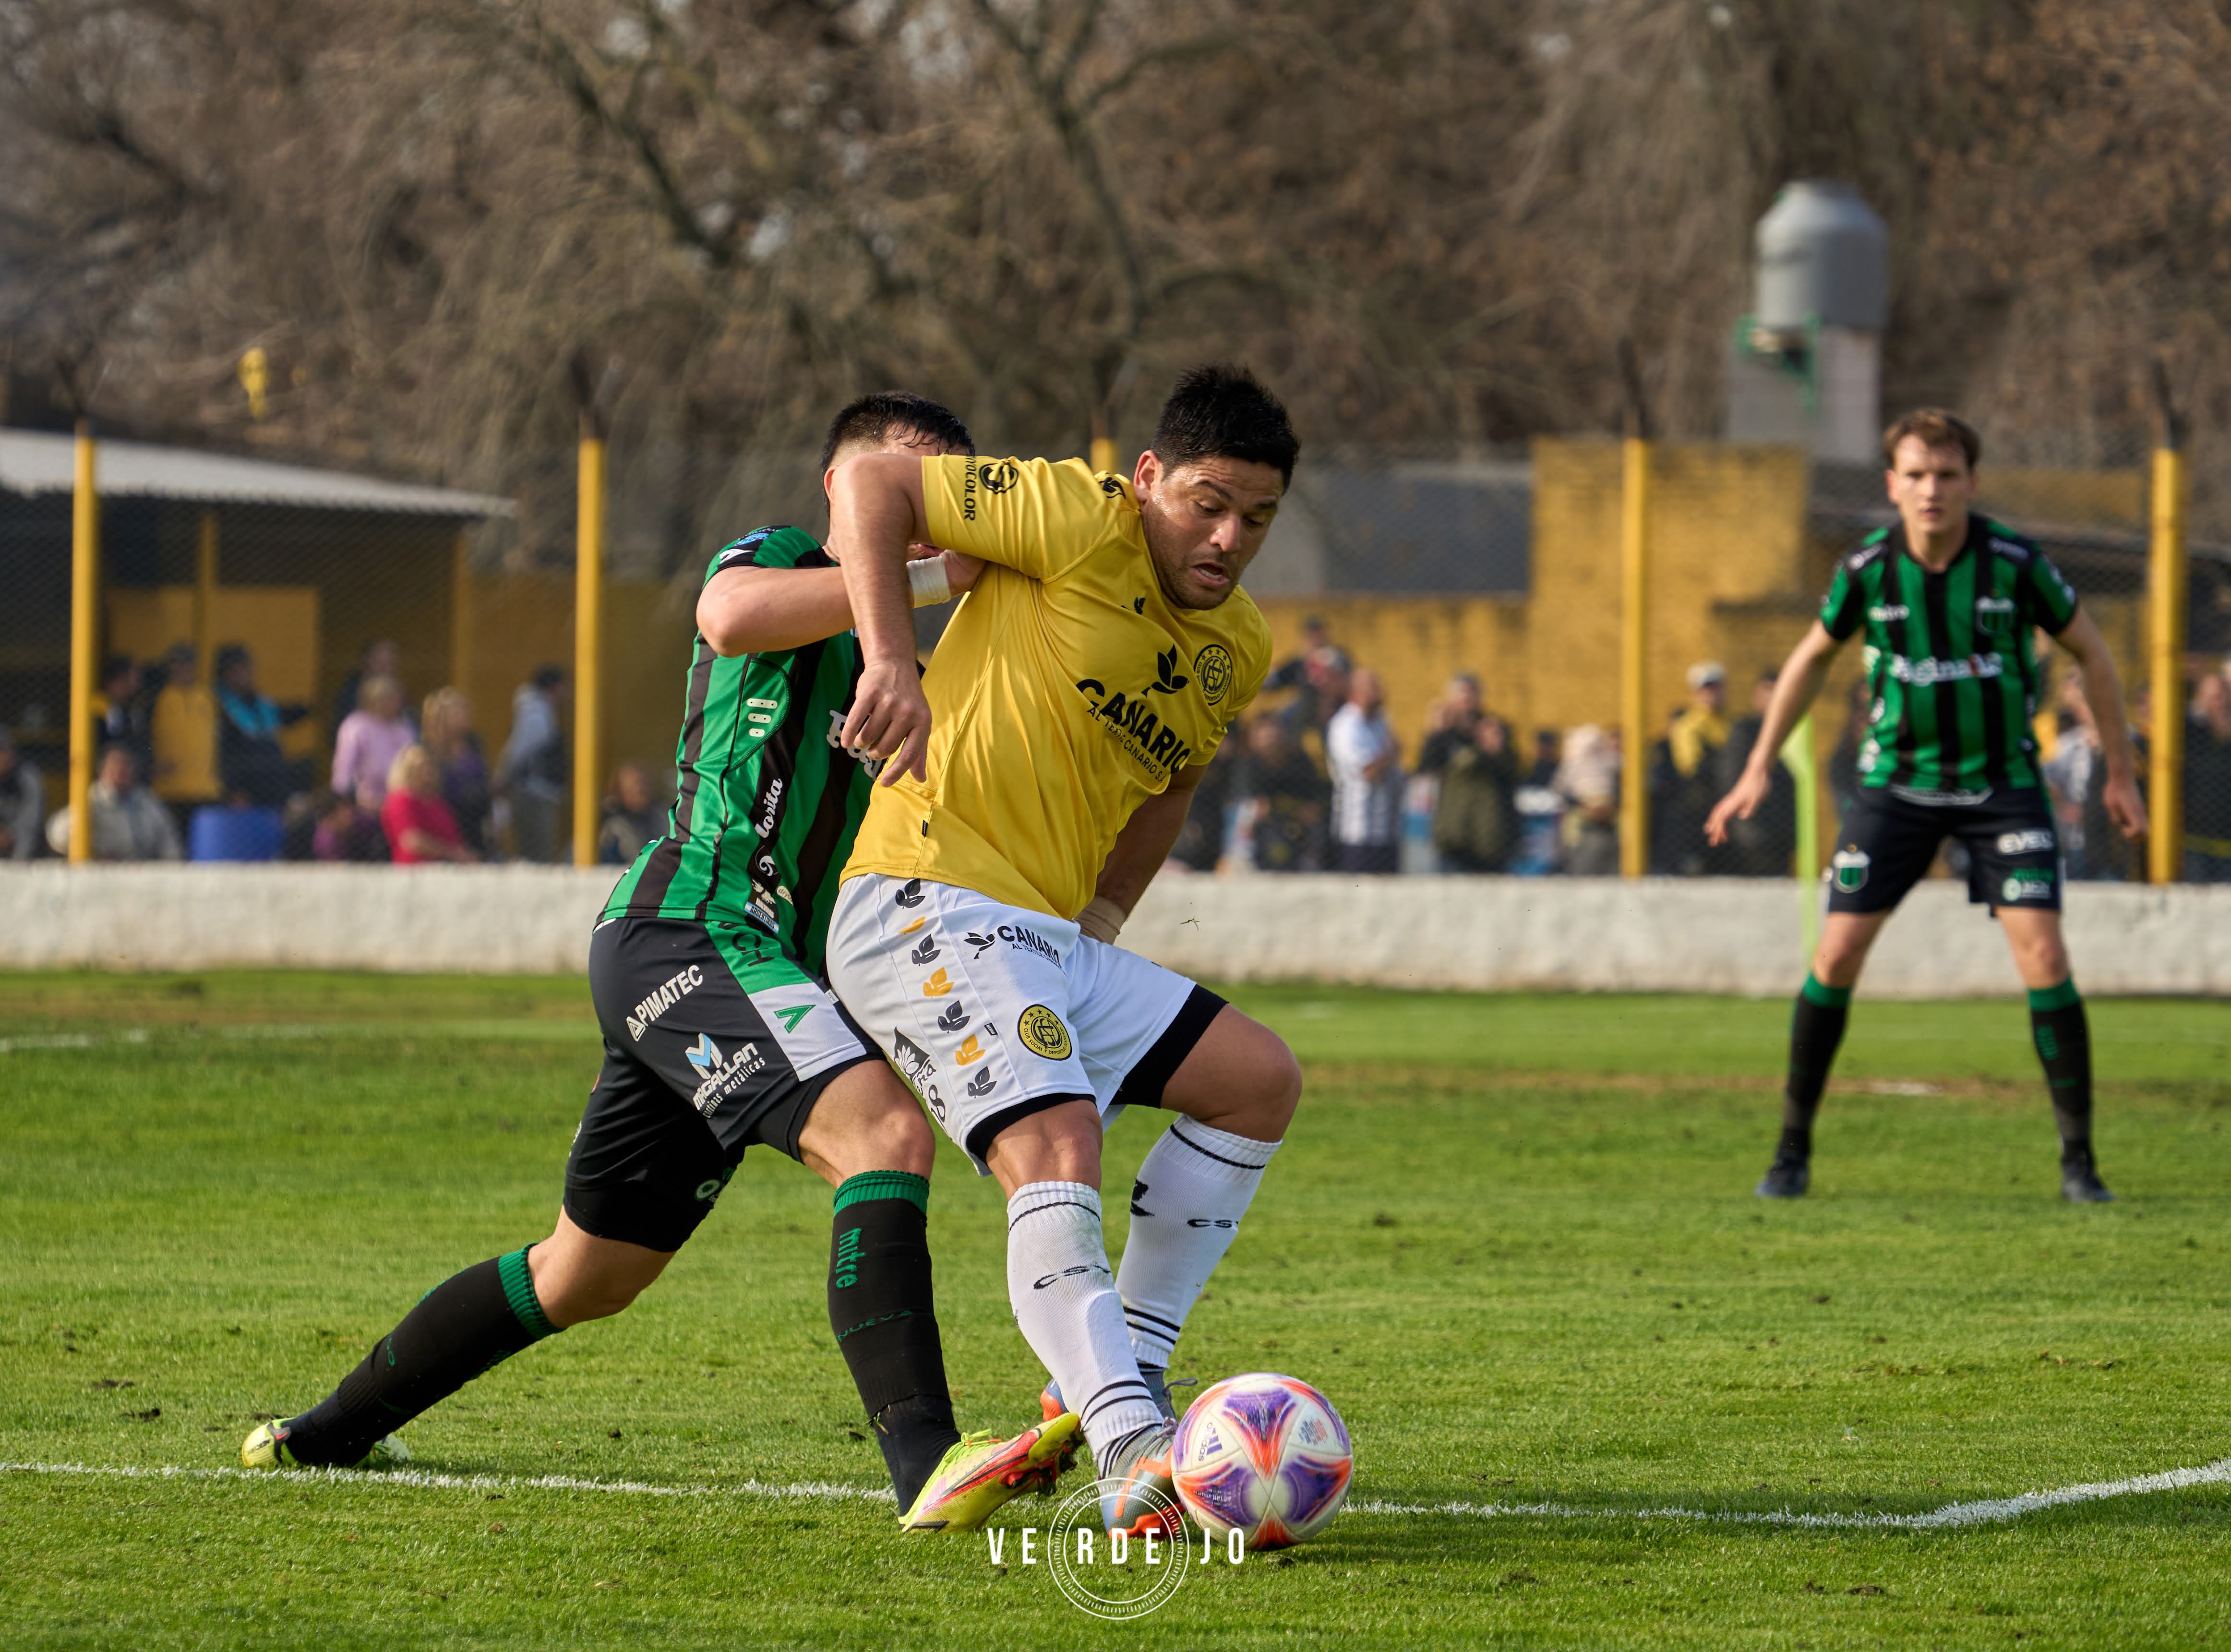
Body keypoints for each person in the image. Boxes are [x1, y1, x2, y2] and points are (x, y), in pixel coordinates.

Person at [245, 392, 1071, 1538]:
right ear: (843, 490)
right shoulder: (783, 561)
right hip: (691, 929)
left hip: (754, 964)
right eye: (903, 491)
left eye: (941, 500)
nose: (923, 523)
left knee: (587, 1272)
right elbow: (727, 616)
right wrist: (921, 582)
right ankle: (927, 1464)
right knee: (881, 1135)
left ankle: (322, 1432)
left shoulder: (903, 659)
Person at [819, 364, 1306, 1539]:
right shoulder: (1076, 516)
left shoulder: (1235, 644)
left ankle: (1112, 1368)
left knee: (1256, 1081)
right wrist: (891, 659)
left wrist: (1104, 921)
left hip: (1050, 936)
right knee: (1060, 1140)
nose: (1228, 536)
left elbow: (1173, 780)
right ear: (1148, 479)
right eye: (1205, 502)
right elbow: (872, 482)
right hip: (922, 900)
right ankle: (1134, 1442)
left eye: (1257, 518)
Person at [1707, 408, 2146, 1204]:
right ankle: (1789, 1151)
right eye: (1914, 474)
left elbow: (2093, 651)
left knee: (2043, 958)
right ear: (1891, 484)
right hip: (1895, 788)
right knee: (1834, 957)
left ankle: (2078, 1163)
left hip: (2000, 789)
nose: (1930, 490)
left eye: (1945, 475)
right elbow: (1809, 658)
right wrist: (1756, 766)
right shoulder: (1868, 567)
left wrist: (2119, 771)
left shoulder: (2013, 563)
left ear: (1970, 484)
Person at [1417, 674, 1520, 873]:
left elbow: (1514, 773)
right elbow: (1426, 770)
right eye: (1461, 696)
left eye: (1470, 695)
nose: (1466, 702)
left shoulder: (1494, 729)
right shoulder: (1446, 735)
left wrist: (1496, 750)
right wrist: (1435, 734)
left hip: (1490, 835)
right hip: (1454, 834)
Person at [1716, 670, 1798, 877]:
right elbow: (1731, 776)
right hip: (1752, 830)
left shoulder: (1795, 730)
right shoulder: (1745, 730)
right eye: (1767, 691)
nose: (1772, 698)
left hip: (1782, 833)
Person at [1650, 662, 1729, 875]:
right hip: (1699, 803)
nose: (1711, 693)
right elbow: (1690, 768)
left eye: (1716, 687)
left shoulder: (1729, 724)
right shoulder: (1688, 726)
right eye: (1706, 688)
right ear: (1696, 692)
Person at [1325, 666, 1403, 874]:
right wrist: (1390, 755)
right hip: (1358, 832)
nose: (1380, 692)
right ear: (1355, 691)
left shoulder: (1380, 723)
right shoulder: (1345, 726)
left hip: (1386, 830)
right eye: (1373, 687)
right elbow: (1367, 772)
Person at [215, 644, 311, 809]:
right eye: (239, 669)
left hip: (274, 785)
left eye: (248, 667)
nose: (247, 673)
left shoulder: (261, 704)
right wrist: (234, 789)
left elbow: (283, 715)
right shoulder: (217, 707)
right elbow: (222, 753)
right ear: (226, 673)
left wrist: (310, 708)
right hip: (244, 793)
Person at [45, 744, 181, 861]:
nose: (121, 770)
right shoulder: (91, 799)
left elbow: (170, 845)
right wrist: (94, 854)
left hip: (141, 874)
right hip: (98, 874)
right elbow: (57, 837)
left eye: (126, 764)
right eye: (115, 764)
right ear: (102, 769)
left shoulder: (147, 801)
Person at [500, 665, 569, 862]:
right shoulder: (536, 714)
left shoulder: (540, 711)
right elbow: (518, 751)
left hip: (538, 791)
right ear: (554, 688)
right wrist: (504, 777)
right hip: (534, 793)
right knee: (538, 849)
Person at [149, 643, 221, 834]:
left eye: (187, 663)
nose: (182, 669)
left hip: (205, 788)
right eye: (176, 664)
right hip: (169, 789)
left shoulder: (207, 698)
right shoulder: (158, 698)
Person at [420, 687, 494, 856]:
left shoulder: (474, 741)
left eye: (465, 711)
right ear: (441, 718)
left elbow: (485, 775)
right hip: (447, 812)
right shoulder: (429, 748)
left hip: (477, 813)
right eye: (457, 713)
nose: (465, 717)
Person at [379, 745, 479, 864]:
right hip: (417, 870)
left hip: (448, 867)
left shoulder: (436, 801)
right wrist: (453, 853)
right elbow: (412, 841)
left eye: (431, 766)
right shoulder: (400, 800)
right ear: (408, 770)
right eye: (422, 767)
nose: (429, 772)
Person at [331, 675, 416, 812]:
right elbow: (344, 767)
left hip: (401, 801)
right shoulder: (356, 725)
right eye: (385, 699)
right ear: (371, 700)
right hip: (364, 802)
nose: (391, 704)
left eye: (394, 699)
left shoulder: (405, 728)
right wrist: (343, 800)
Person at [1553, 723, 1621, 876]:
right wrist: (1583, 804)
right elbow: (1561, 790)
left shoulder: (1609, 761)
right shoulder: (1572, 765)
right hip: (1581, 814)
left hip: (1609, 815)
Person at [2185, 669, 2231, 882]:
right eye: (2213, 697)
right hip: (2195, 842)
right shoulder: (2193, 732)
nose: (2219, 702)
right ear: (2202, 699)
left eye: (2223, 695)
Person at [332, 639, 403, 749]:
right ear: (366, 662)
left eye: (390, 664)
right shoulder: (351, 694)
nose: (385, 669)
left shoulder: (400, 693)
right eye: (380, 663)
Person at [597, 762, 667, 866]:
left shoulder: (659, 817)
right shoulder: (613, 825)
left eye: (645, 783)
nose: (642, 789)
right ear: (620, 790)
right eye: (636, 784)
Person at [0, 727, 44, 860]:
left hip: (21, 850)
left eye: (2, 750)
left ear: (11, 752)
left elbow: (30, 825)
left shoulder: (28, 777)